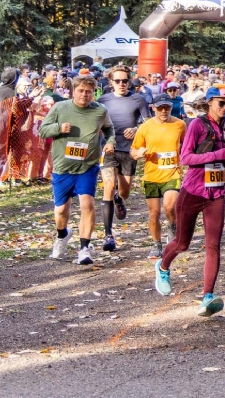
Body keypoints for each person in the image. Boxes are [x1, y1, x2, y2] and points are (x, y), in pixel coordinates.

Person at [153, 86, 225, 317]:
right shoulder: (197, 125)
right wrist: (218, 156)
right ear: (209, 102)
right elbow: (186, 158)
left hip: (216, 194)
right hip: (193, 191)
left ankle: (208, 296)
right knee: (182, 243)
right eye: (221, 103)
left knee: (213, 246)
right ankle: (163, 266)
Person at [39, 75, 115, 266]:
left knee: (87, 204)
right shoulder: (60, 108)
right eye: (81, 91)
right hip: (63, 167)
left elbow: (109, 129)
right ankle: (62, 235)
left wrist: (110, 142)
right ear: (74, 91)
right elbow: (42, 130)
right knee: (61, 210)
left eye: (88, 92)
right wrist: (58, 128)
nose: (84, 95)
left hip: (87, 166)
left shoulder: (100, 110)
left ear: (93, 93)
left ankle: (84, 248)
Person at [97, 66, 152, 251]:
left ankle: (118, 200)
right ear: (111, 82)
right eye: (118, 81)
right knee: (108, 186)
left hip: (129, 150)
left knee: (124, 192)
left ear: (129, 81)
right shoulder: (102, 100)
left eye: (125, 80)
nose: (122, 84)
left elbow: (149, 123)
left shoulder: (138, 99)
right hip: (109, 148)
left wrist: (136, 129)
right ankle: (108, 235)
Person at [130, 96, 186, 258]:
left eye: (166, 108)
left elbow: (187, 145)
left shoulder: (179, 125)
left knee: (169, 206)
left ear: (171, 107)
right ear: (153, 107)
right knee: (154, 213)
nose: (163, 111)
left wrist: (184, 157)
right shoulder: (145, 127)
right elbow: (134, 151)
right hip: (151, 175)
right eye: (160, 108)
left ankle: (172, 226)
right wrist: (138, 153)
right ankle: (157, 244)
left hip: (172, 173)